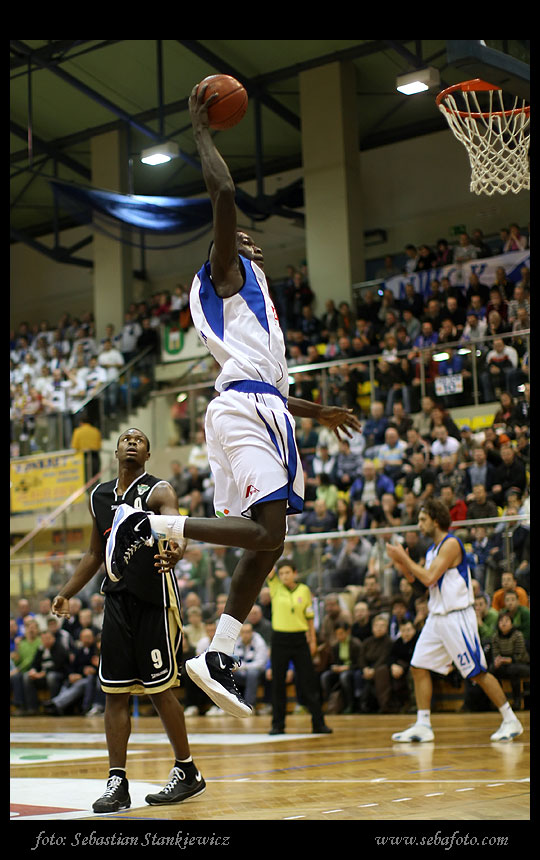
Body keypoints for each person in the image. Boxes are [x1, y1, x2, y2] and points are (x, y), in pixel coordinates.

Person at [140, 80, 361, 720]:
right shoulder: (226, 275)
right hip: (241, 408)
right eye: (239, 237)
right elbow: (225, 195)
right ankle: (160, 526)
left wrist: (317, 412)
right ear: (223, 249)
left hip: (263, 405)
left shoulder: (253, 305)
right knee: (266, 533)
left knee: (270, 543)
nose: (249, 240)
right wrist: (201, 130)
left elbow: (273, 384)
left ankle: (219, 654)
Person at [51, 427, 205, 812]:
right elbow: (95, 553)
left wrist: (177, 548)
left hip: (154, 599)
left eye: (139, 440)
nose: (132, 442)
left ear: (147, 454)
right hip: (116, 602)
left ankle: (187, 770)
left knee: (159, 689)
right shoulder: (99, 496)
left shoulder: (157, 490)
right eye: (126, 439)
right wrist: (67, 591)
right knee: (114, 693)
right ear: (116, 450)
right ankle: (117, 782)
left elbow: (175, 523)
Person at [385, 498, 523, 742]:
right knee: (418, 666)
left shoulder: (451, 544)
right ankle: (423, 724)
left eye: (423, 520)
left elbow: (429, 577)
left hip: (457, 617)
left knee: (477, 672)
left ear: (436, 520)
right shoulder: (431, 551)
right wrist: (403, 566)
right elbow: (422, 586)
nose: (419, 525)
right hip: (436, 617)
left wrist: (405, 560)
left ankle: (510, 719)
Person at [266, 558, 331, 734]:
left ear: (295, 573)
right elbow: (268, 565)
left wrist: (312, 640)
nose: (284, 576)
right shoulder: (275, 586)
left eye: (288, 572)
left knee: (308, 682)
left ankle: (318, 723)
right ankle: (277, 725)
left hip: (300, 640)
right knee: (278, 683)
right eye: (281, 573)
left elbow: (309, 617)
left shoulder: (304, 590)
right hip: (280, 640)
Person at [320, 621, 364, 714]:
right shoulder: (336, 646)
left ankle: (350, 704)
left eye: (341, 633)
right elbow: (335, 662)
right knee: (325, 676)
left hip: (354, 670)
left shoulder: (356, 644)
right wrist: (335, 667)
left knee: (344, 676)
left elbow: (360, 663)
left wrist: (347, 667)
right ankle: (330, 703)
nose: (339, 636)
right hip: (341, 670)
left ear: (348, 632)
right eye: (337, 634)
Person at [489, 611, 529, 710]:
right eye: (501, 621)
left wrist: (506, 660)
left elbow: (520, 656)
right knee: (492, 670)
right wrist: (497, 661)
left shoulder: (517, 635)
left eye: (506, 621)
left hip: (521, 664)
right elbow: (495, 654)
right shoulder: (495, 637)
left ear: (511, 623)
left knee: (513, 670)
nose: (504, 623)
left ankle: (517, 701)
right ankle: (499, 702)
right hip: (504, 665)